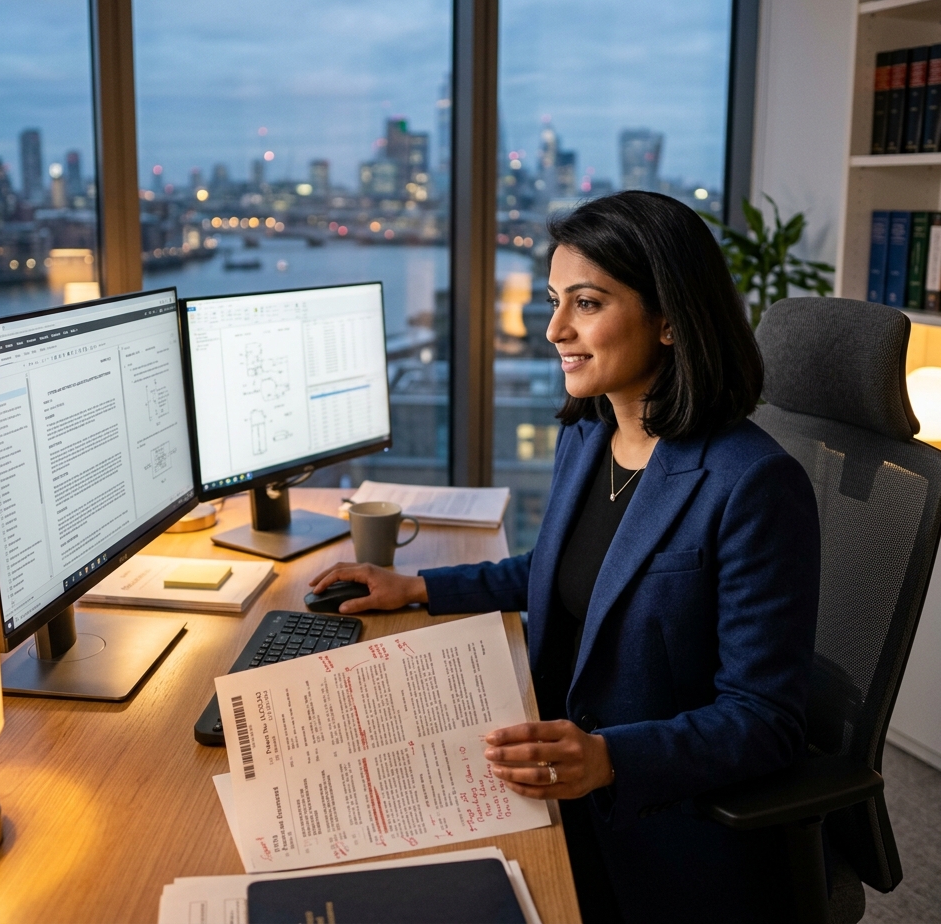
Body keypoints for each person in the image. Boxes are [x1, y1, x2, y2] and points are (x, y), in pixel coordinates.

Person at [309, 191, 820, 923]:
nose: (552, 329)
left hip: (648, 822)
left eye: (585, 303)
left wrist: (608, 758)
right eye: (554, 301)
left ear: (671, 319)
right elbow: (559, 573)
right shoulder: (590, 434)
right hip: (548, 764)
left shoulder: (754, 485)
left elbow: (764, 718)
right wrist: (416, 586)